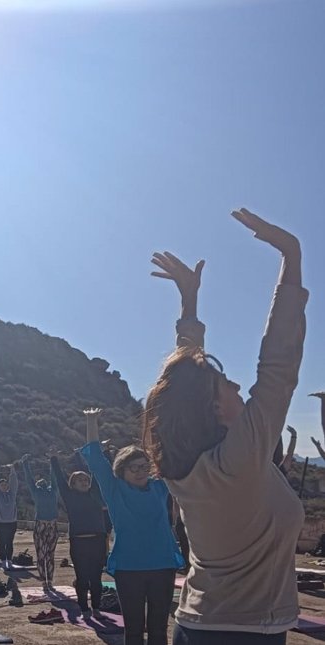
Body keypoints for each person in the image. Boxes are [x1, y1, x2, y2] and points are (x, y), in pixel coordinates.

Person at [143, 209, 307, 645]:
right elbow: (278, 368)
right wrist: (292, 257)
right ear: (215, 409)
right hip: (245, 633)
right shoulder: (238, 460)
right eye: (227, 385)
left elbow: (187, 387)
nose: (238, 385)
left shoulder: (191, 465)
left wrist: (190, 303)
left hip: (200, 624)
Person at [81, 409, 183, 645]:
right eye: (134, 468)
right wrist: (91, 421)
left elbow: (170, 457)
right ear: (121, 471)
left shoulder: (159, 487)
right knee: (134, 631)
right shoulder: (114, 490)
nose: (140, 472)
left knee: (159, 630)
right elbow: (96, 458)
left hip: (163, 565)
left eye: (144, 466)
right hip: (129, 569)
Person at [49, 439, 108, 617]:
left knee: (96, 578)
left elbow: (98, 473)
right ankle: (84, 608)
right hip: (79, 542)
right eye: (80, 480)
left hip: (97, 540)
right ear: (73, 484)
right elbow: (60, 479)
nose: (84, 481)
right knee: (82, 577)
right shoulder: (69, 497)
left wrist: (102, 453)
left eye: (85, 479)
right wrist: (53, 459)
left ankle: (96, 607)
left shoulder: (95, 493)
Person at [20, 454, 59, 591]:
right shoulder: (36, 491)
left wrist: (52, 461)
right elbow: (28, 479)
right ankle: (44, 581)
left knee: (50, 555)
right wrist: (25, 464)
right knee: (41, 555)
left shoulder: (53, 490)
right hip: (41, 525)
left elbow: (54, 476)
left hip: (51, 525)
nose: (41, 481)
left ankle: (50, 581)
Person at [0, 462, 18, 569]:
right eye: (2, 485)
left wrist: (12, 471)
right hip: (0, 523)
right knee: (2, 542)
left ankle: (9, 561)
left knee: (9, 542)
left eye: (6, 484)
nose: (4, 486)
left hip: (11, 522)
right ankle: (3, 561)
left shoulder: (12, 494)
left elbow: (14, 483)